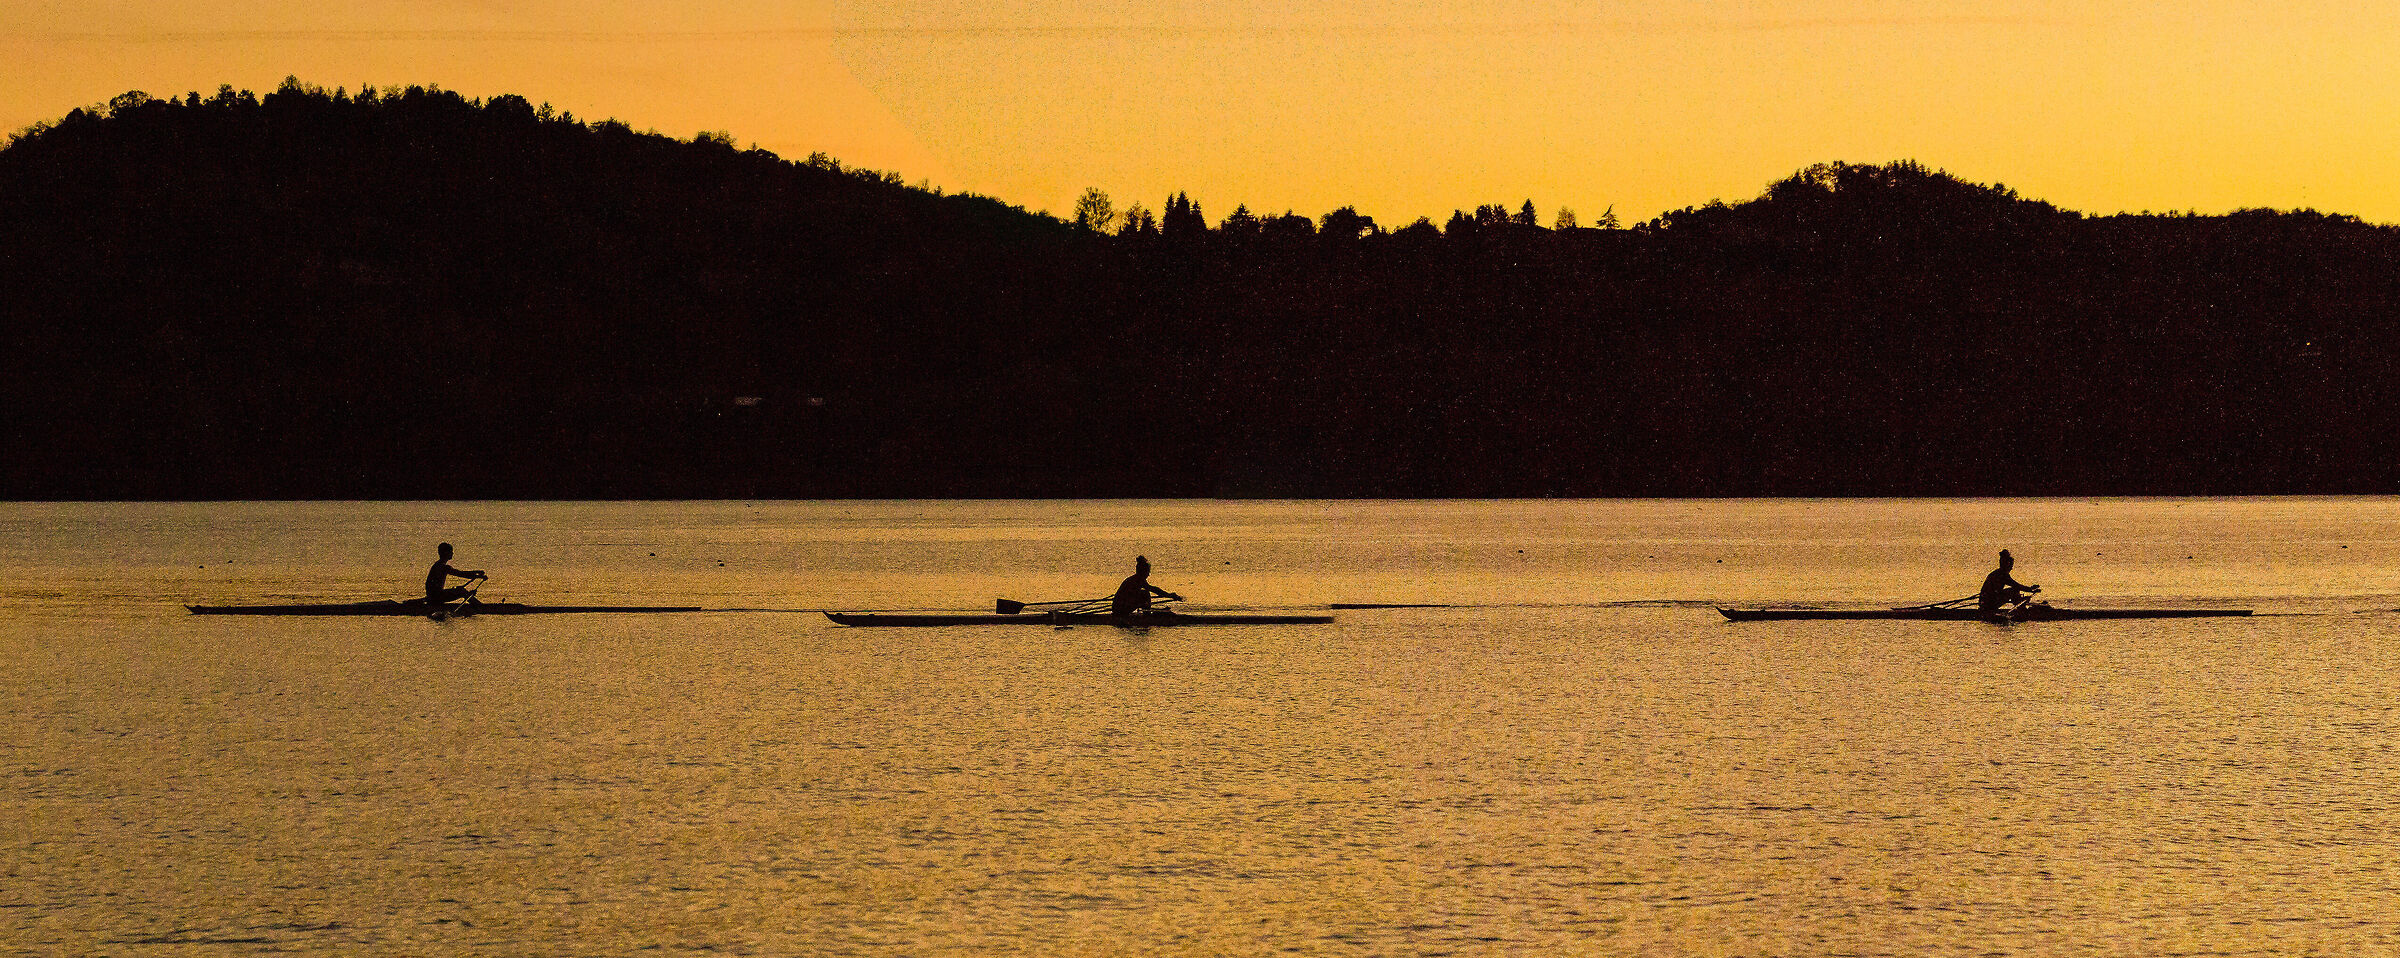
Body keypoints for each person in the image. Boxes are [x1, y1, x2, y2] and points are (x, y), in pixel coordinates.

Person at [1111, 555, 1182, 615]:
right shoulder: (1137, 580)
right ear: (1143, 571)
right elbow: (1154, 589)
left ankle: (1148, 612)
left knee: (1143, 593)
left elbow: (1154, 589)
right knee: (1145, 593)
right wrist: (1169, 595)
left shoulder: (1136, 579)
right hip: (1119, 609)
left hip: (1120, 607)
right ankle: (1147, 615)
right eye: (1148, 571)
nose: (1148, 574)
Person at [1977, 549, 2039, 618]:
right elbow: (2016, 585)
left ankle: (2021, 608)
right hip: (1988, 603)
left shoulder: (1997, 573)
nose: (2011, 568)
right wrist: (2030, 589)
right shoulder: (2002, 575)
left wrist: (2029, 590)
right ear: (2006, 564)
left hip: (1986, 601)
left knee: (2014, 590)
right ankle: (2022, 611)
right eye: (2011, 566)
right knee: (2013, 590)